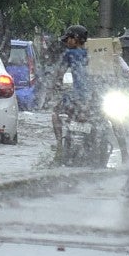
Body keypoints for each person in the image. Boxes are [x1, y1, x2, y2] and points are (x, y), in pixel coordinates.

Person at [51, 24, 91, 158]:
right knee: (115, 121)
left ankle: (59, 147)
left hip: (78, 97)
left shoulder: (69, 53)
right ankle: (124, 152)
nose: (67, 42)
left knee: (56, 112)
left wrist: (57, 85)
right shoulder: (94, 53)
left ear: (76, 39)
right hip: (97, 97)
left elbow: (59, 75)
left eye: (69, 38)